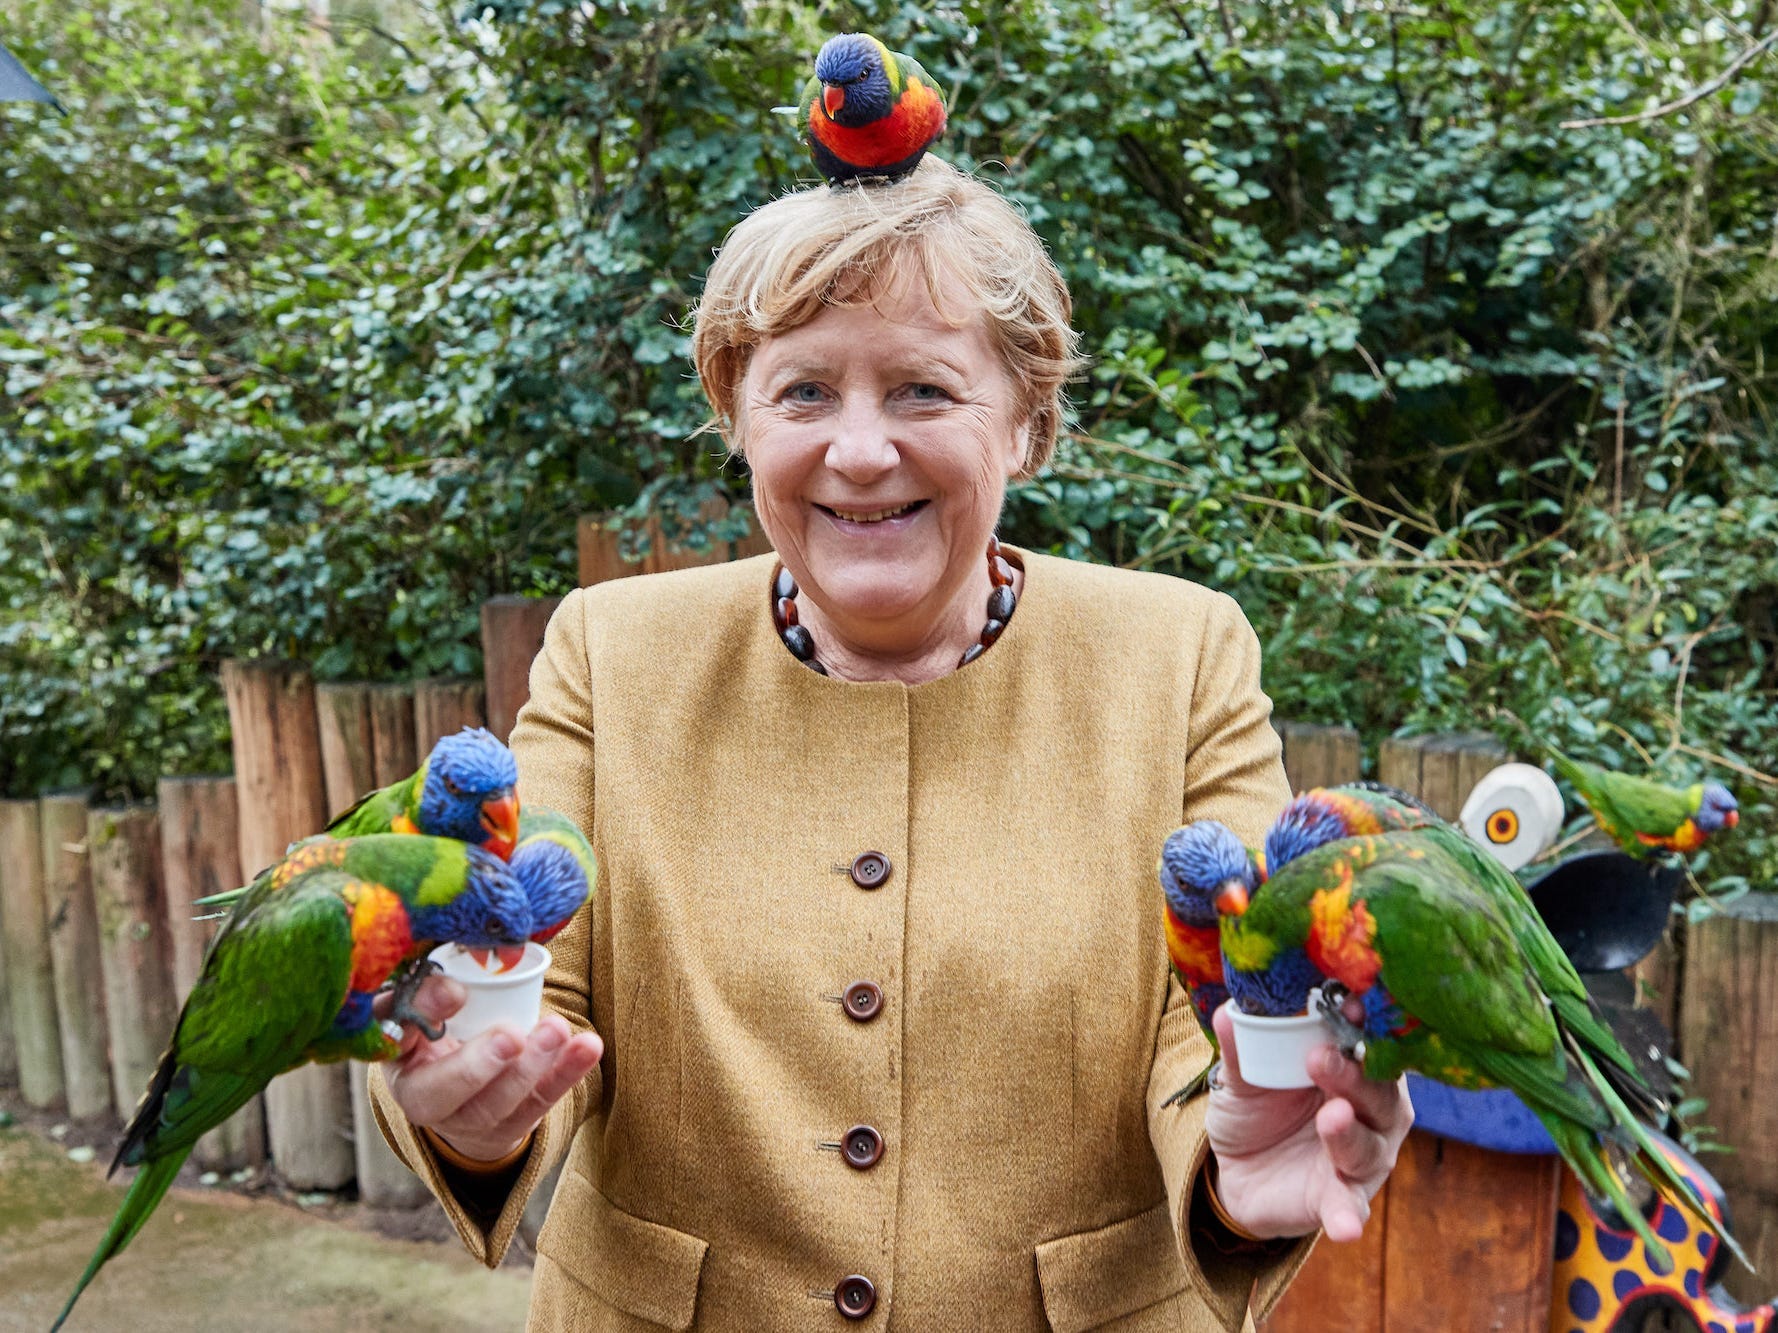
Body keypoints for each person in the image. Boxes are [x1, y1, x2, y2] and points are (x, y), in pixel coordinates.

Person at [367, 157, 1412, 1332]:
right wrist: (471, 1101)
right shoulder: (610, 655)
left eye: (921, 389)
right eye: (802, 392)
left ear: (1022, 418)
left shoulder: (1177, 658)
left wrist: (1242, 1162)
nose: (858, 451)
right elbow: (519, 974)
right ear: (738, 415)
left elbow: (1226, 1005)